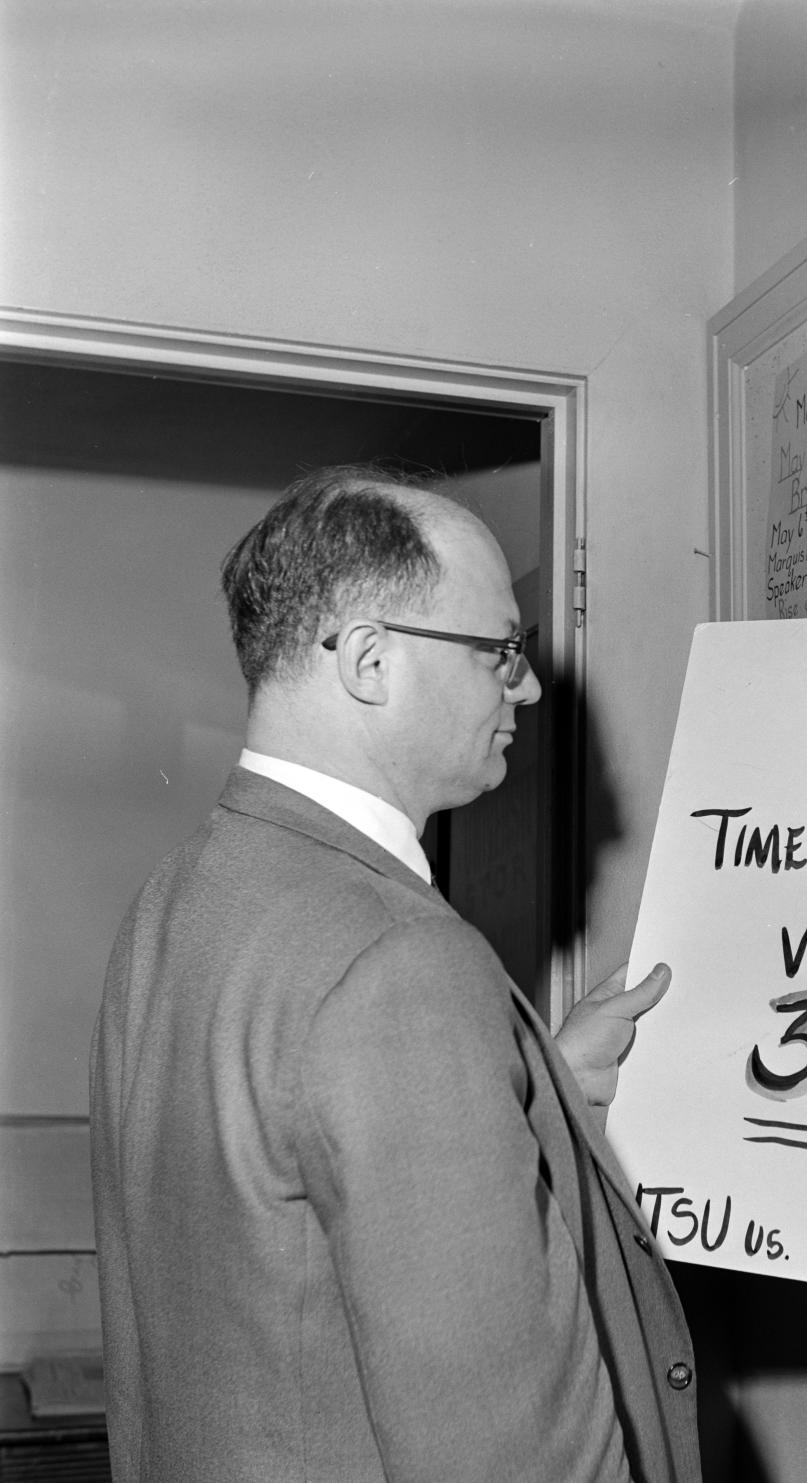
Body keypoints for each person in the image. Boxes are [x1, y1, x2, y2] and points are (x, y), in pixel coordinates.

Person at [89, 466, 701, 1482]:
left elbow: (284, 1190)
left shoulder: (177, 897)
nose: (531, 685)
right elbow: (518, 1460)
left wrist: (534, 1076)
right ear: (371, 662)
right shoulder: (399, 965)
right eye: (501, 650)